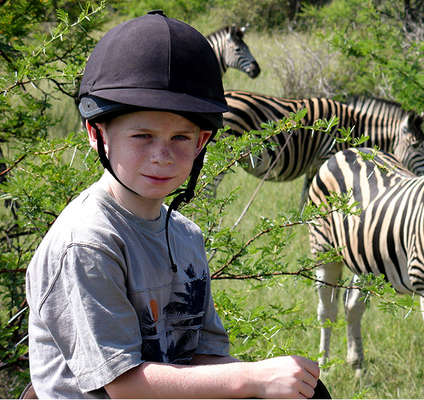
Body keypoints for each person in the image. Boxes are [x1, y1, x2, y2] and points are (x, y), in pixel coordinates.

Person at [25, 11, 330, 399]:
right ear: (96, 134)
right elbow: (125, 387)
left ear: (202, 141)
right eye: (142, 136)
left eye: (181, 138)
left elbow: (201, 356)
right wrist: (251, 379)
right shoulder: (87, 243)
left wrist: (275, 381)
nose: (162, 156)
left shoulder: (184, 234)